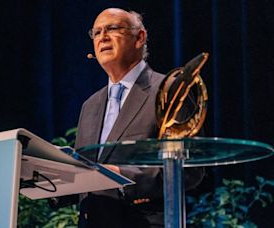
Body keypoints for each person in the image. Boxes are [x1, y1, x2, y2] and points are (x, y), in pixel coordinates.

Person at [52, 8, 205, 227]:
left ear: (139, 37)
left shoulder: (170, 92)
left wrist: (123, 176)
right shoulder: (90, 105)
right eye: (96, 33)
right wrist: (49, 179)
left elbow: (190, 169)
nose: (102, 37)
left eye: (112, 28)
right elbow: (85, 174)